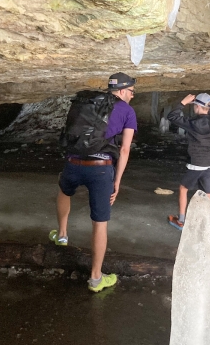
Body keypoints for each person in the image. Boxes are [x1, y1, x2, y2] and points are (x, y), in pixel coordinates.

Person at [49, 72, 137, 292]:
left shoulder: (88, 102)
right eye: (132, 92)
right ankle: (96, 278)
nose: (133, 96)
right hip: (100, 169)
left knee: (64, 190)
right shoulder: (127, 111)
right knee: (100, 222)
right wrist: (117, 180)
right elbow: (125, 149)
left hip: (73, 161)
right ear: (124, 91)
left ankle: (61, 235)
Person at [166, 93, 210, 230]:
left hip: (197, 162)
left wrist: (183, 102)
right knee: (208, 193)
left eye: (194, 105)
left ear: (198, 106)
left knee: (183, 189)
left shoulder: (193, 124)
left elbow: (172, 116)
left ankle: (181, 221)